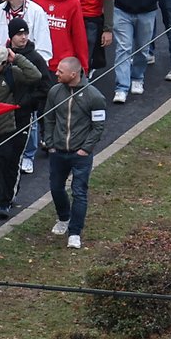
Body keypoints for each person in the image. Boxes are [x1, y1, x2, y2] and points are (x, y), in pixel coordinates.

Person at [42, 56, 107, 248]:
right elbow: (48, 118)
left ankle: (75, 233)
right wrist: (50, 143)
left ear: (73, 74)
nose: (56, 73)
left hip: (80, 155)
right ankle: (64, 217)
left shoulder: (94, 96)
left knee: (79, 192)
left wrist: (85, 149)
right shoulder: (54, 92)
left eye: (60, 72)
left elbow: (98, 126)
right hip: (58, 152)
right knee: (56, 188)